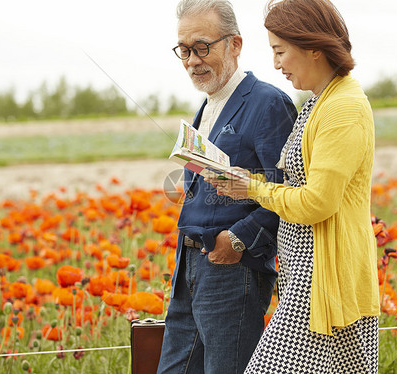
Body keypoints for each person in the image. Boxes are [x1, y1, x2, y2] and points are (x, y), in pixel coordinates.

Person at [209, 0, 380, 372]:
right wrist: (246, 182)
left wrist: (253, 189)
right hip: (305, 276)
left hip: (322, 280)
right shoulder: (320, 101)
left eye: (280, 51)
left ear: (313, 47)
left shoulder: (343, 107)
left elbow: (318, 202)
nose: (276, 64)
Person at [157, 1, 297, 373]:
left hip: (232, 269)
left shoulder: (268, 103)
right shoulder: (208, 106)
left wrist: (235, 241)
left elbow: (288, 192)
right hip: (188, 263)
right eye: (184, 50)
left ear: (234, 44)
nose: (192, 60)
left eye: (202, 47)